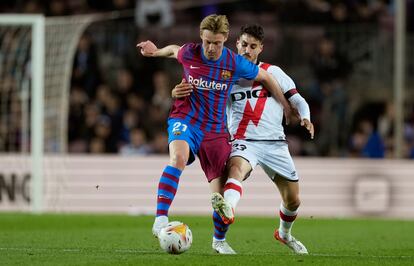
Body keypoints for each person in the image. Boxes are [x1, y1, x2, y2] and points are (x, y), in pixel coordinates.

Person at [137, 14, 292, 254]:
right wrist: (155, 51)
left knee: (221, 198)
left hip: (216, 131)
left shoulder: (233, 62)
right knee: (178, 158)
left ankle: (219, 241)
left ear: (226, 39)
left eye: (217, 43)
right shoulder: (190, 53)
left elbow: (266, 77)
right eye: (207, 42)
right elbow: (173, 50)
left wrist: (285, 105)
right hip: (186, 119)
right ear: (201, 37)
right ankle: (160, 219)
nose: (211, 48)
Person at [172, 24, 314, 254]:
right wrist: (175, 92)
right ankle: (227, 209)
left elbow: (298, 100)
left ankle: (284, 234)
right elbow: (198, 95)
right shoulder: (224, 73)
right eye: (244, 44)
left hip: (275, 144)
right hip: (242, 141)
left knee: (293, 201)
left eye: (253, 46)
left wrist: (306, 117)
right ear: (237, 44)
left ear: (261, 48)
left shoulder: (273, 72)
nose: (247, 50)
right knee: (235, 169)